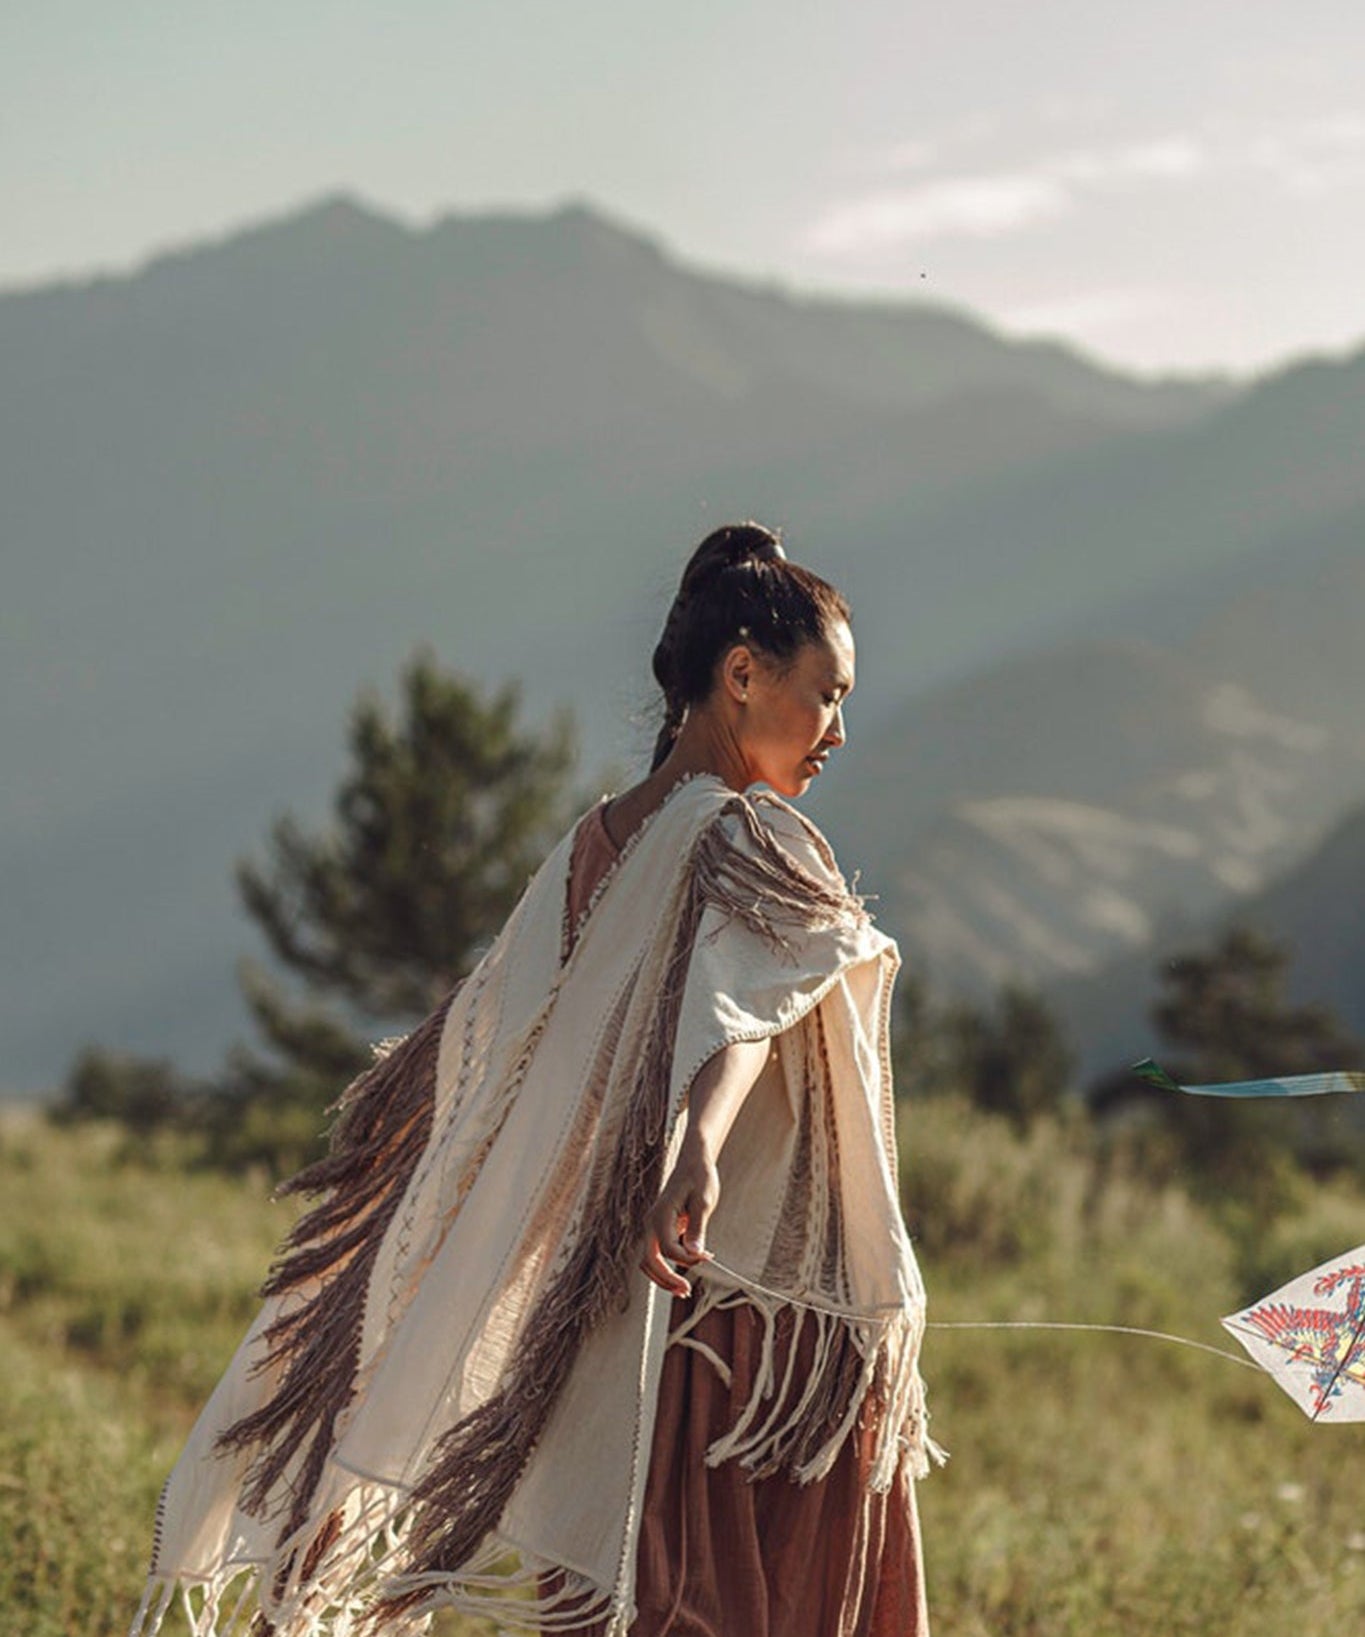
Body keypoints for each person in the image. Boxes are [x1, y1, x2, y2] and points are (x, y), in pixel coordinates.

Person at [131, 522, 939, 1637]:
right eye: (827, 692)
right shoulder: (749, 835)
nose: (840, 729)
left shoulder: (589, 848)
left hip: (611, 1316)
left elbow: (498, 1058)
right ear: (742, 673)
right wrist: (698, 1145)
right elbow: (748, 998)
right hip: (743, 1334)